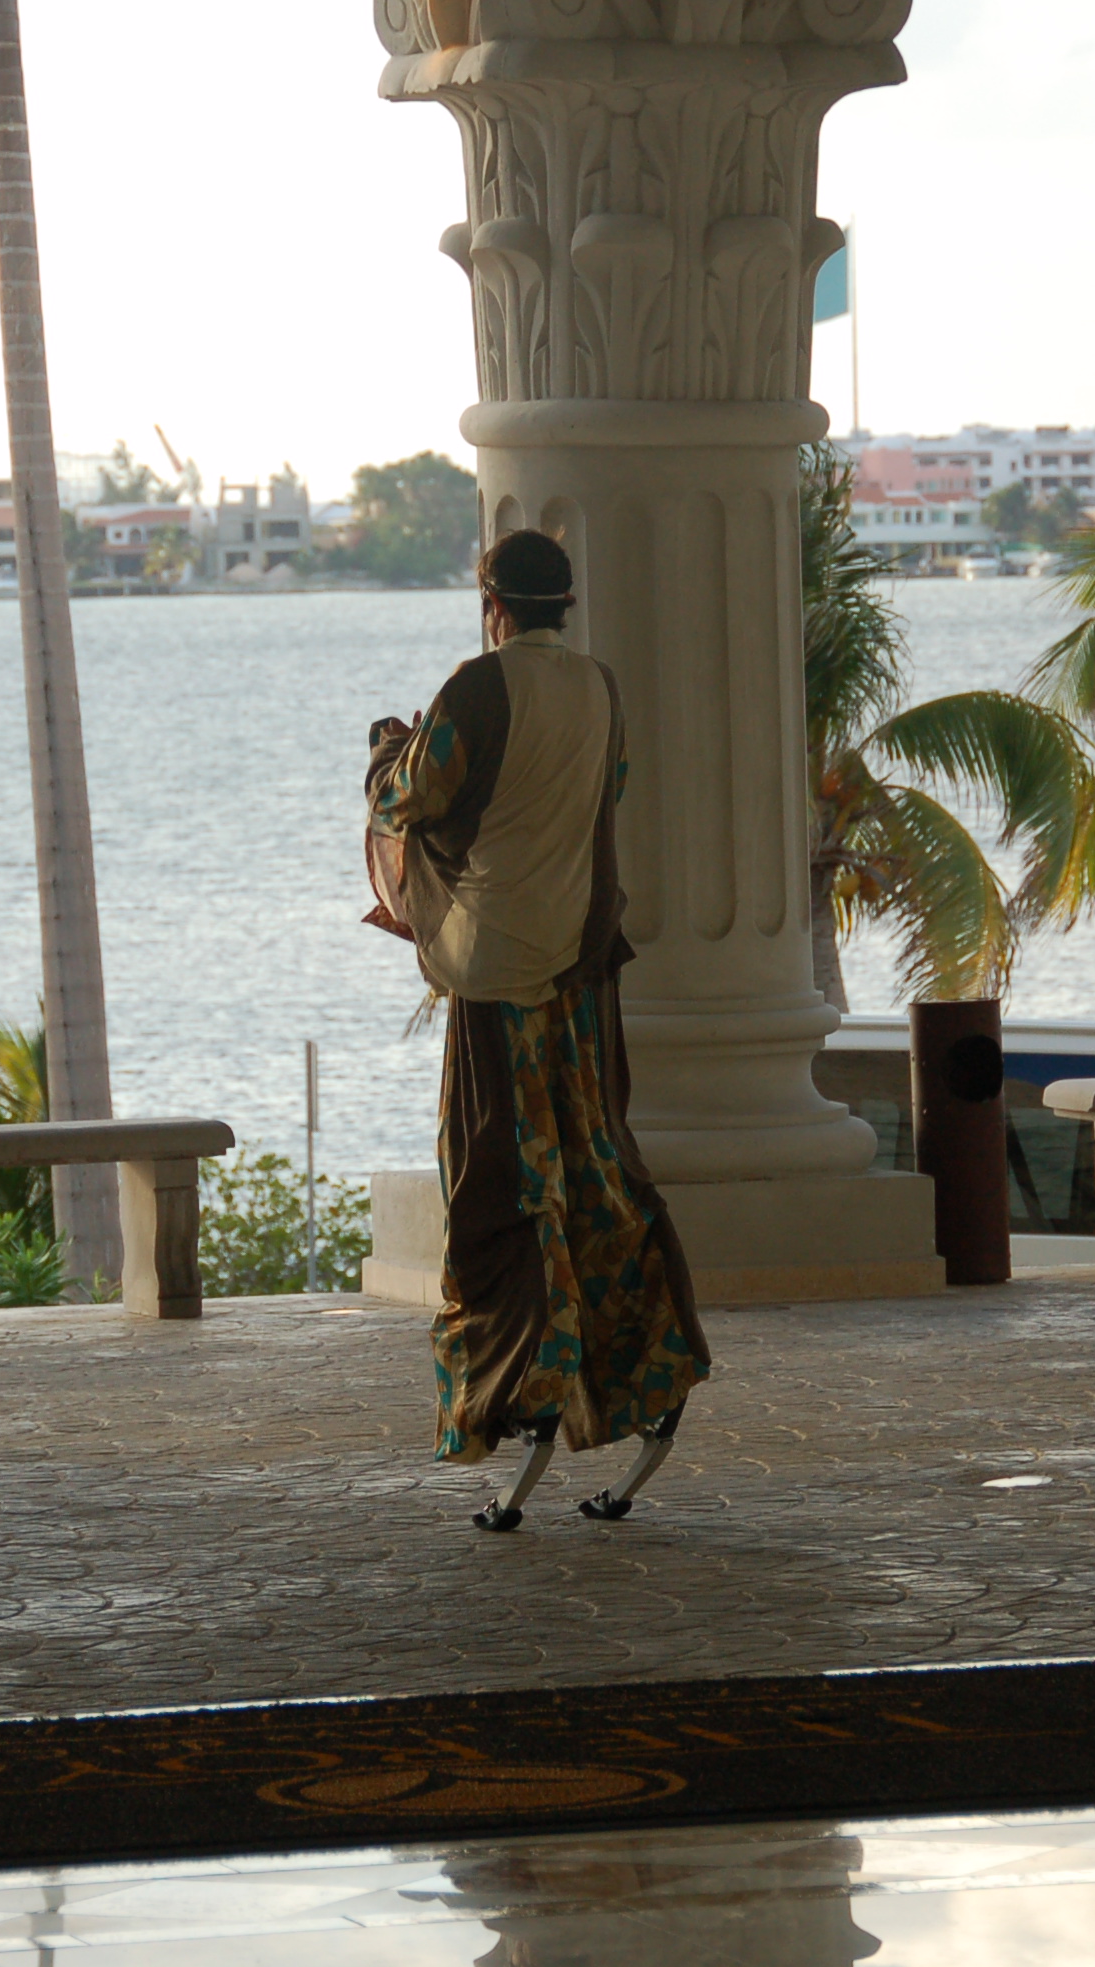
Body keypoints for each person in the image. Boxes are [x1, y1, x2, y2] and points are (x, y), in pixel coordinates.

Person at [366, 529, 708, 1531]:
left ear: (493, 604)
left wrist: (384, 747)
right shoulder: (600, 687)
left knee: (499, 1187)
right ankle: (639, 1367)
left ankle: (519, 1389)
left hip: (494, 982)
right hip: (577, 977)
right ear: (564, 602)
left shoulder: (478, 685)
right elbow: (607, 793)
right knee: (592, 1170)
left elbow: (411, 797)